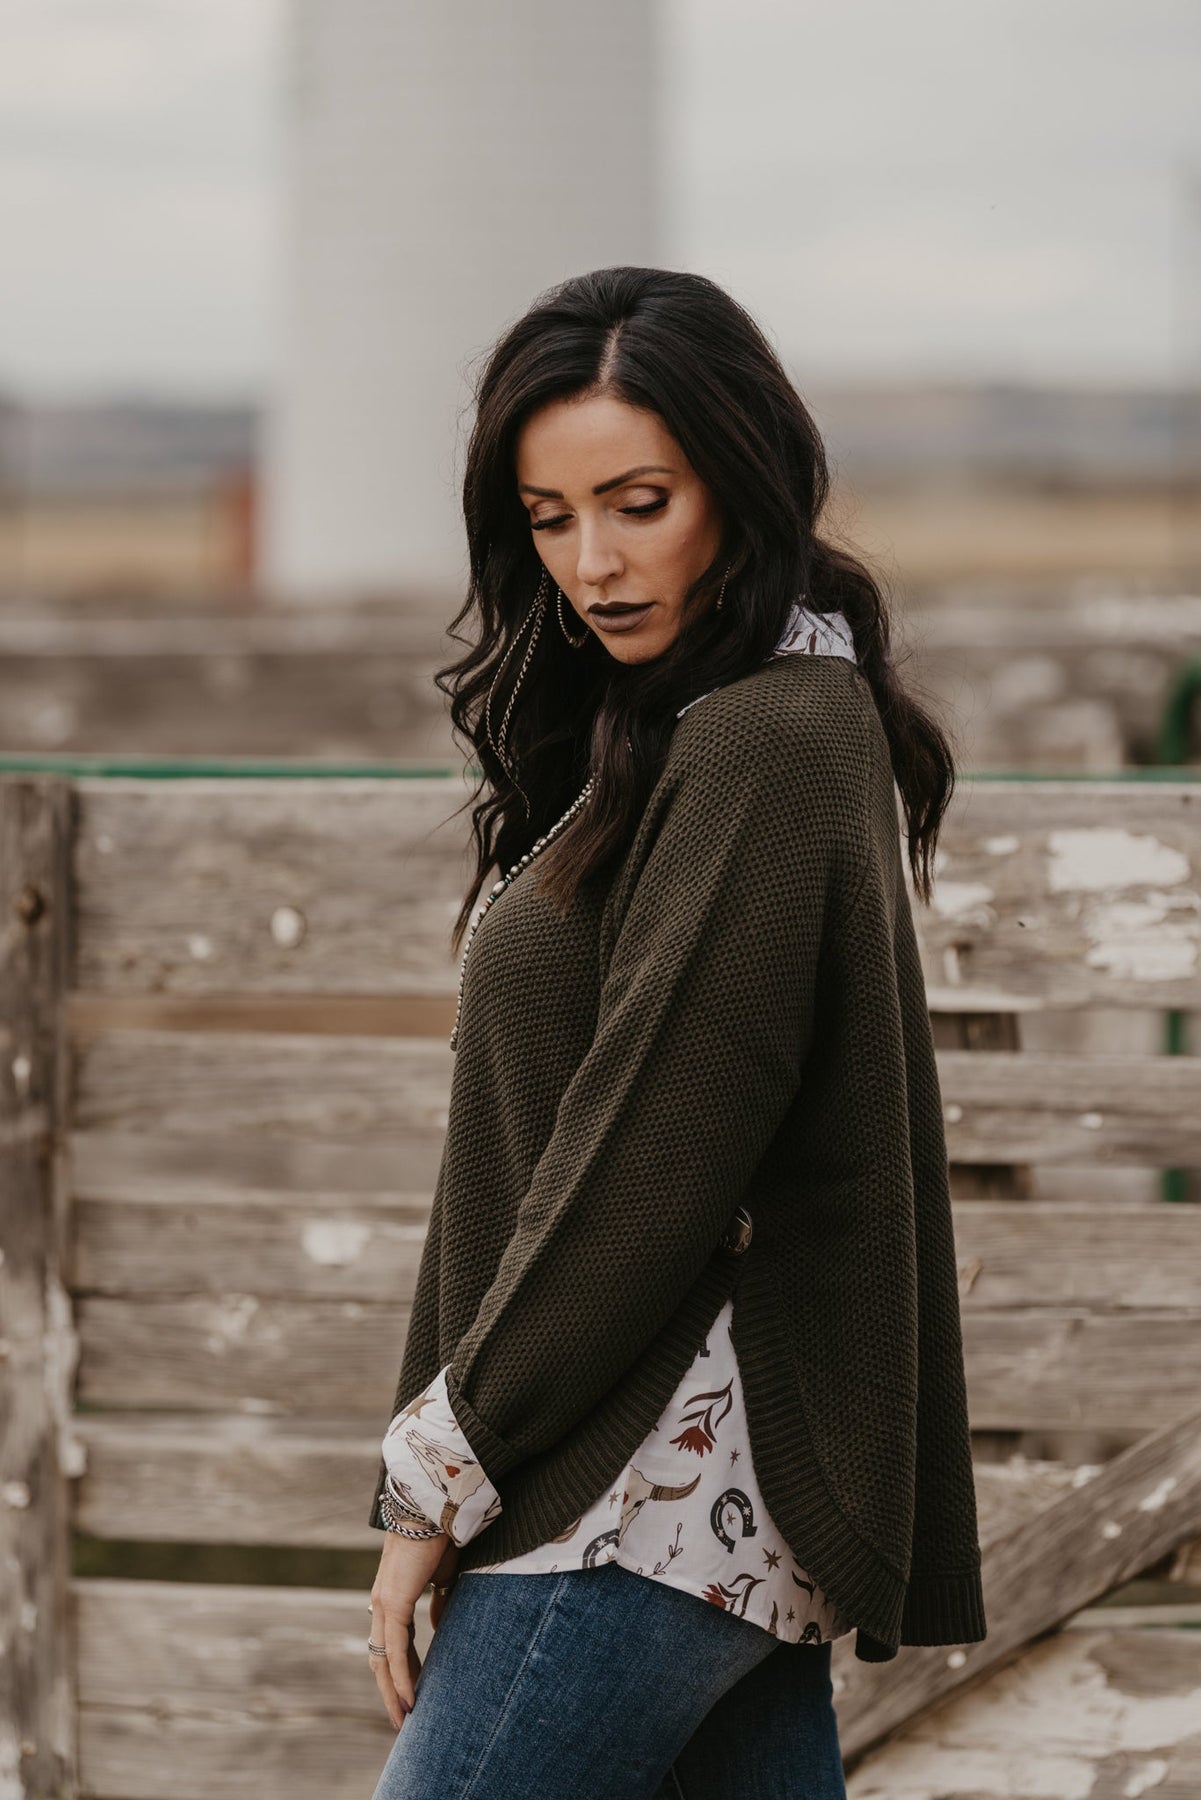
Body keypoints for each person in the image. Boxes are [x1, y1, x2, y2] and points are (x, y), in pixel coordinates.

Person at [365, 265, 986, 1800]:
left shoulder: (764, 737)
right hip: (694, 1485)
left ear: (740, 479)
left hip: (644, 1484)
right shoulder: (701, 726)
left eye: (638, 503)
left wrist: (439, 1466)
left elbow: (654, 1151)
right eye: (548, 518)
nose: (593, 562)